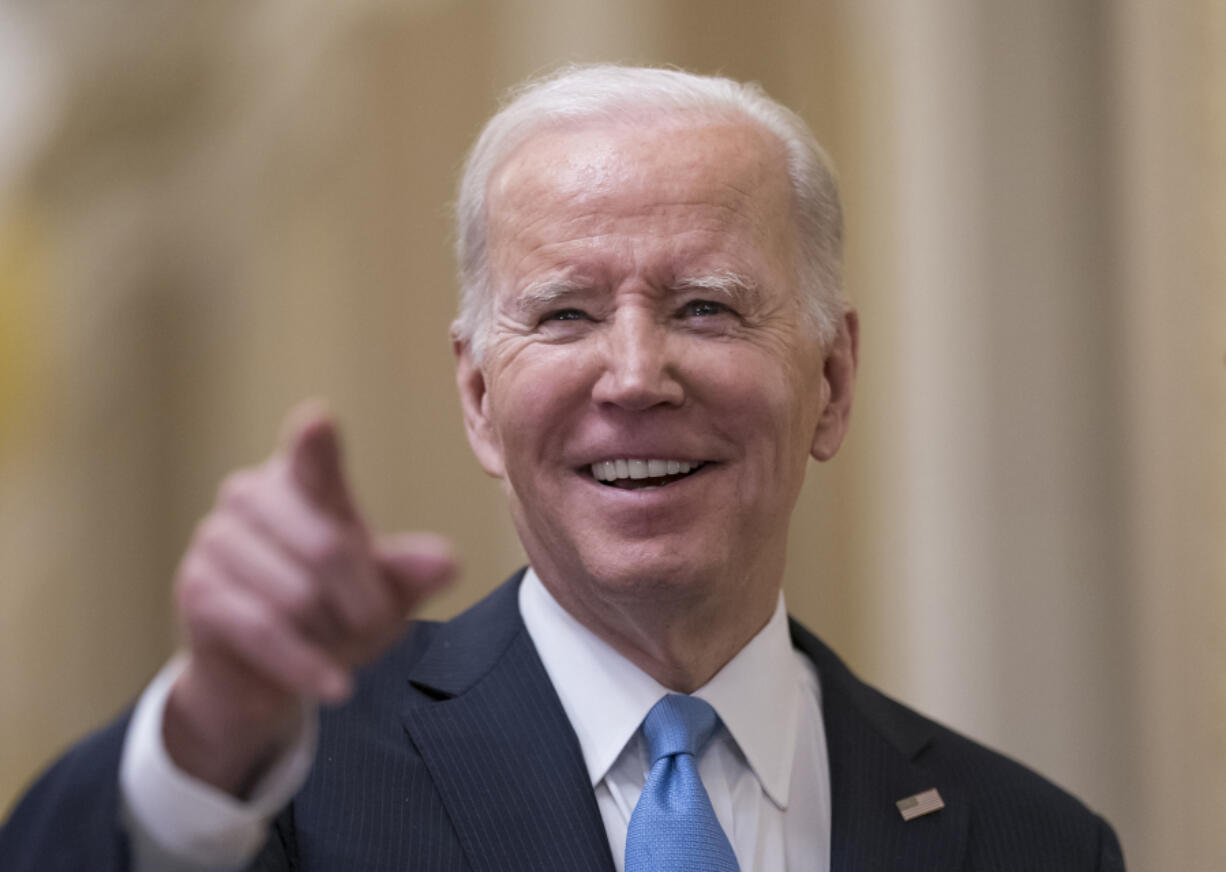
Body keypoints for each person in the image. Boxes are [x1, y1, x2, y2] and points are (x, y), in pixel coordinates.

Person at [1, 64, 1123, 871]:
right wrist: (203, 732)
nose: (633, 374)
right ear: (478, 397)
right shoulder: (288, 790)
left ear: (829, 381)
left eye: (704, 306)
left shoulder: (1034, 840)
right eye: (565, 313)